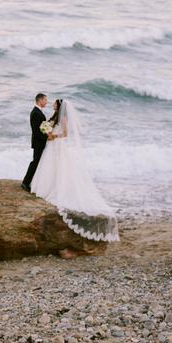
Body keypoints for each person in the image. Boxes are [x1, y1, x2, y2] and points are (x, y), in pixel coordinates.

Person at [30, 98, 120, 243]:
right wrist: (48, 133)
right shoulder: (54, 116)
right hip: (52, 146)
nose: (52, 104)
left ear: (59, 106)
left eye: (54, 103)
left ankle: (58, 188)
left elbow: (65, 134)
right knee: (50, 167)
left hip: (58, 145)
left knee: (60, 168)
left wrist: (54, 136)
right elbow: (49, 128)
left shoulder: (63, 118)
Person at [21, 93, 48, 192]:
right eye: (45, 100)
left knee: (37, 162)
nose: (46, 102)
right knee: (35, 162)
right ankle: (25, 182)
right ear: (40, 100)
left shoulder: (38, 112)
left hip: (39, 141)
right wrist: (47, 137)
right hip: (39, 142)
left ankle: (33, 182)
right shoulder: (36, 113)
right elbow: (36, 131)